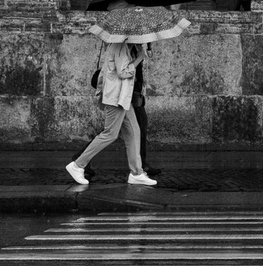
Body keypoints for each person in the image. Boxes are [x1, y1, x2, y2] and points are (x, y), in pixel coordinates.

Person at [65, 14, 189, 187]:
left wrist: (139, 53)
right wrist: (140, 57)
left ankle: (137, 173)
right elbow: (123, 72)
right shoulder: (120, 47)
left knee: (134, 132)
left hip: (122, 98)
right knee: (109, 134)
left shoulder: (126, 46)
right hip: (115, 97)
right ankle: (78, 165)